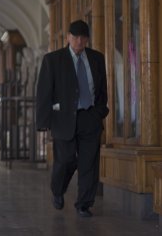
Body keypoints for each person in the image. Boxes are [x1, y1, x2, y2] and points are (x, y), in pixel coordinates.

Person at [36, 20, 109, 218]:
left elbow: (102, 89)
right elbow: (44, 93)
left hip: (90, 118)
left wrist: (99, 112)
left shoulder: (96, 58)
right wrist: (43, 123)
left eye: (83, 38)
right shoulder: (53, 60)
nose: (79, 41)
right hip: (64, 120)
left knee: (89, 164)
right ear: (68, 37)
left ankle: (84, 204)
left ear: (87, 39)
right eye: (75, 37)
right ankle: (58, 190)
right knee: (66, 160)